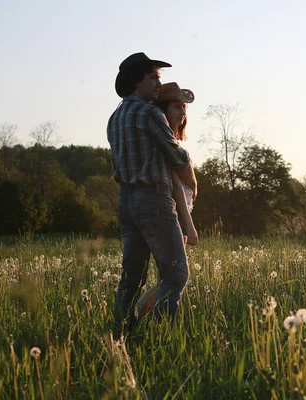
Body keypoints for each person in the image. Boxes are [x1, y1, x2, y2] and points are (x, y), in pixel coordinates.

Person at [107, 52, 197, 331]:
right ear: (137, 80)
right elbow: (176, 157)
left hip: (127, 200)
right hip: (154, 199)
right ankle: (160, 334)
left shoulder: (115, 117)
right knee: (176, 273)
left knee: (132, 276)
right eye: (153, 77)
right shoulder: (149, 113)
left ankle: (122, 332)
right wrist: (191, 174)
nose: (159, 84)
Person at [135, 82, 199, 320]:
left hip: (179, 213)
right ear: (164, 109)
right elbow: (176, 191)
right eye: (176, 107)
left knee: (167, 277)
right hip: (174, 213)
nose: (182, 113)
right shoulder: (164, 144)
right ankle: (145, 319)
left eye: (184, 108)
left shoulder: (172, 140)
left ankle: (141, 320)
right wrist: (189, 224)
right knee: (172, 277)